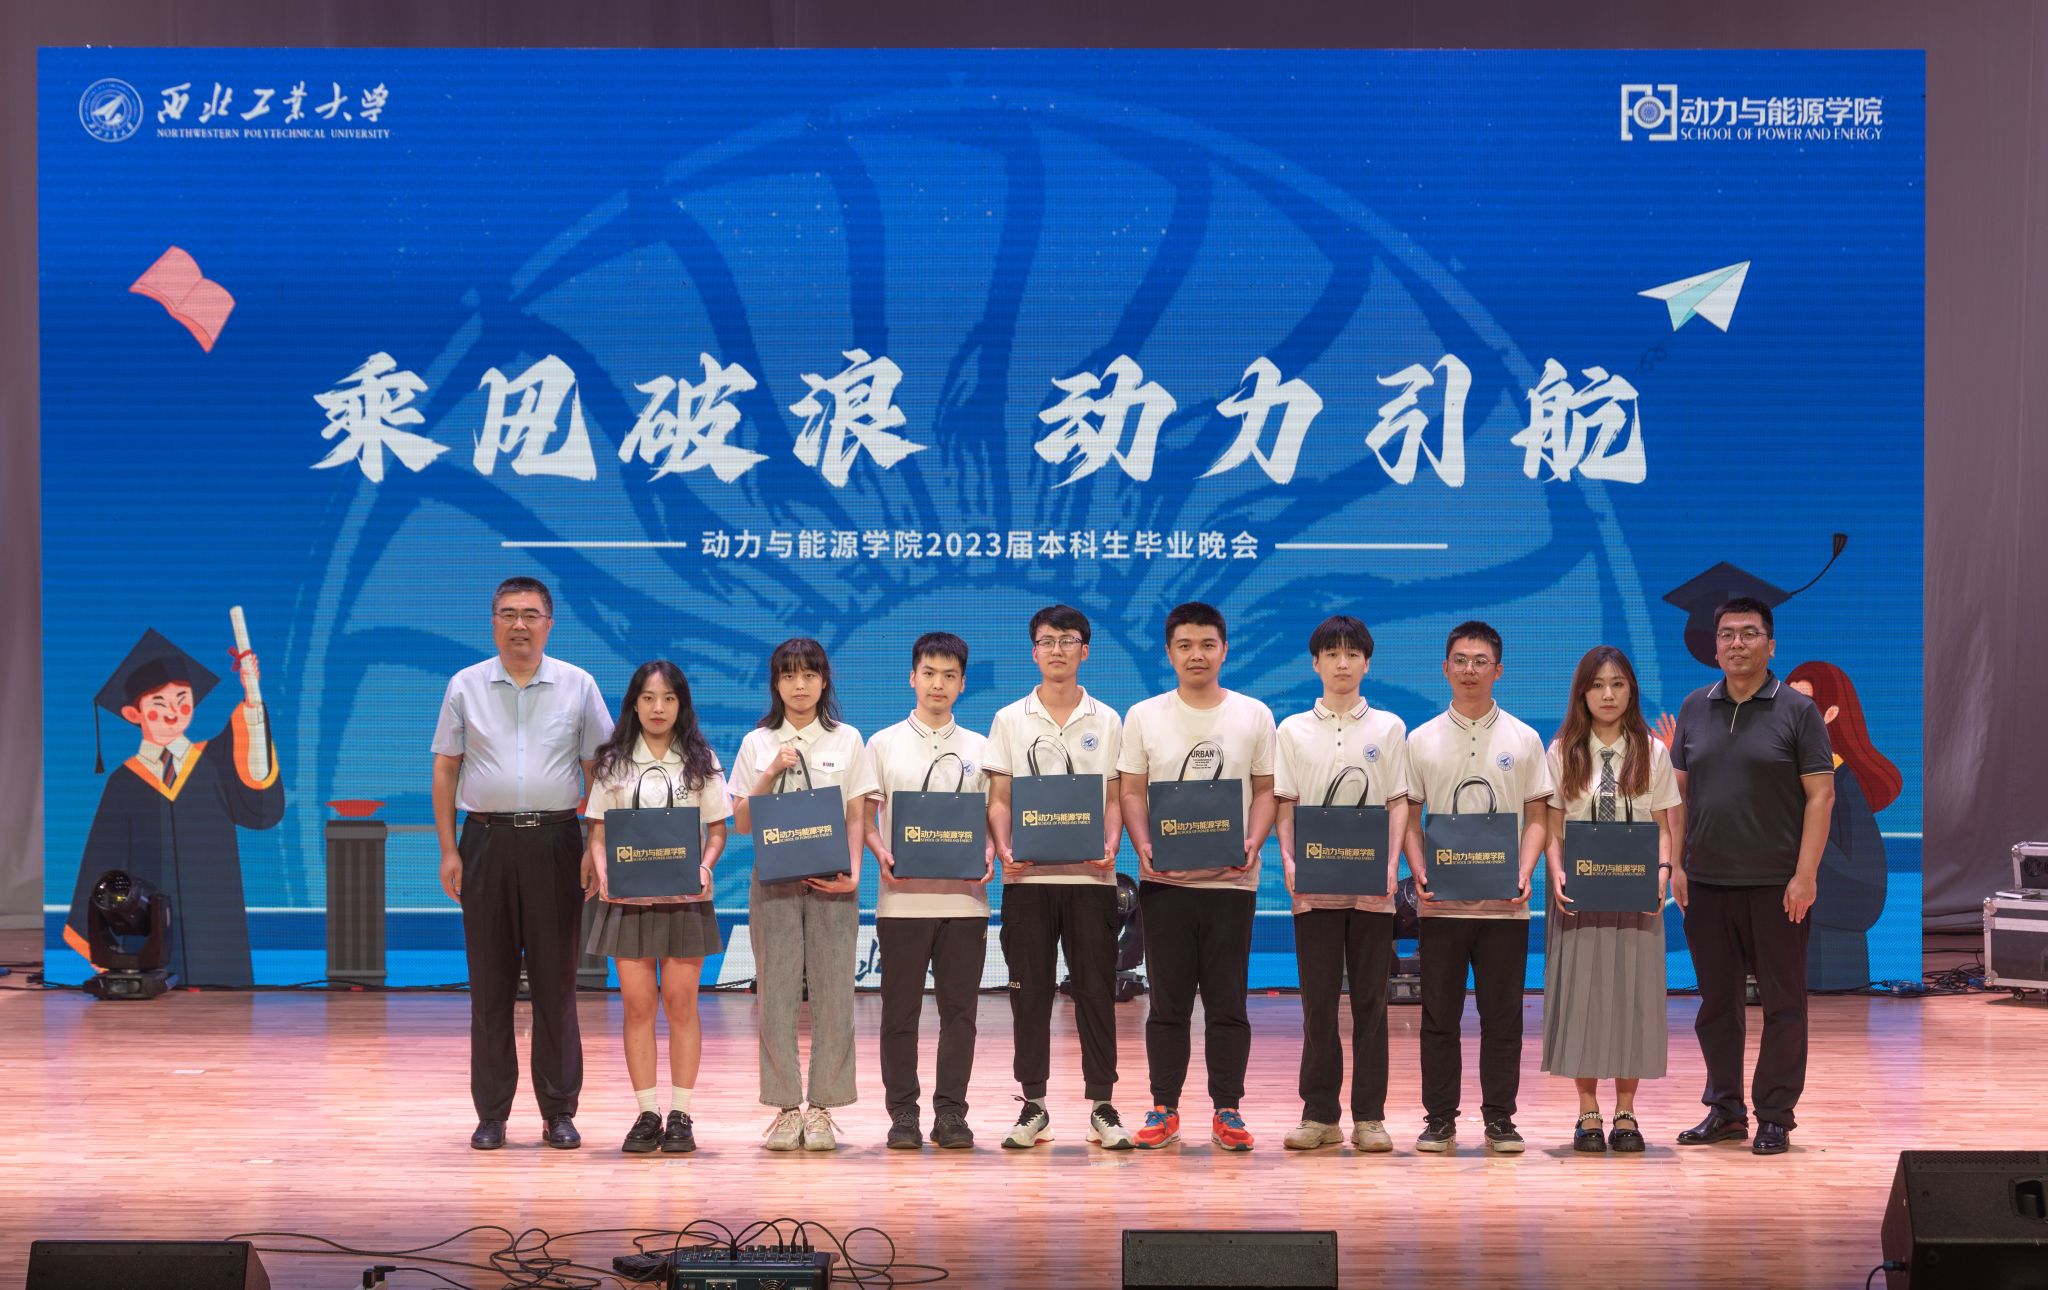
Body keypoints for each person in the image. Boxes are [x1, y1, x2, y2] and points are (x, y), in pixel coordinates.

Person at [432, 576, 614, 1151]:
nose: (519, 624)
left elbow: (599, 772)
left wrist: (594, 845)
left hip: (557, 841)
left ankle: (558, 1111)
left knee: (557, 986)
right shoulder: (465, 685)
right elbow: (446, 768)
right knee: (489, 986)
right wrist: (449, 849)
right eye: (508, 613)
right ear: (493, 622)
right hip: (484, 841)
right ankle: (491, 1114)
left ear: (549, 624)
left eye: (531, 614)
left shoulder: (578, 685)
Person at [1670, 597, 1834, 1156]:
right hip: (1707, 885)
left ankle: (1775, 1116)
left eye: (1748, 633)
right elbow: (1678, 796)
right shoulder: (1695, 706)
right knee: (1716, 1006)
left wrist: (1805, 875)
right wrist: (1677, 864)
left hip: (1777, 887)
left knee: (1784, 1005)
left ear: (1771, 644)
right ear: (1714, 647)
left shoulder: (1798, 711)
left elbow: (1821, 796)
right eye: (1726, 634)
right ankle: (1725, 1111)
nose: (1736, 643)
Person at [1117, 602, 1277, 1152]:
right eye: (1185, 645)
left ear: (1224, 650)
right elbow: (1131, 791)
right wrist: (1143, 844)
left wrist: (1253, 841)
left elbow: (1265, 790)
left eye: (1207, 644)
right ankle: (1164, 1107)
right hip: (1166, 885)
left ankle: (1227, 1109)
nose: (1196, 655)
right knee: (1168, 1004)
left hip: (1231, 885)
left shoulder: (1253, 714)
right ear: (1169, 653)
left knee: (1228, 1002)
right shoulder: (1144, 715)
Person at [984, 605, 1134, 1151]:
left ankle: (1102, 1105)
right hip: (1028, 882)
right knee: (1029, 996)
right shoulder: (1010, 719)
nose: (1057, 650)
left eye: (1068, 640)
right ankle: (1034, 1105)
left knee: (1095, 992)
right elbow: (1000, 798)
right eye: (1046, 641)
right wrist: (1005, 849)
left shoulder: (1108, 719)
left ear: (1084, 651)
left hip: (1091, 881)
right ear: (1034, 652)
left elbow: (1114, 797)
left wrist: (1112, 844)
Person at [1401, 621, 1552, 1155]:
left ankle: (1500, 1120)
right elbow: (1410, 821)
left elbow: (1538, 818)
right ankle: (1440, 1119)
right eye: (1461, 660)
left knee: (1503, 1019)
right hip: (1442, 907)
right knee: (1438, 1017)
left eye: (1480, 661)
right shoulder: (1420, 739)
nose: (1470, 670)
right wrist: (1419, 872)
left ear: (1498, 670)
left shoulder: (1524, 738)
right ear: (1445, 668)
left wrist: (1524, 872)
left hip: (1504, 908)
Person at [64, 628, 283, 988]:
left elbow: (256, 784)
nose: (171, 715)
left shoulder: (212, 761)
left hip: (216, 922)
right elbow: (102, 860)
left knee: (224, 995)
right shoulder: (124, 781)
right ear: (133, 713)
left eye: (181, 701)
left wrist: (252, 693)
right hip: (146, 924)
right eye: (158, 705)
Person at [728, 637, 876, 1152]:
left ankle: (824, 1110)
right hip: (774, 883)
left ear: (824, 681)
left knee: (835, 993)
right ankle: (787, 1108)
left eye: (809, 675)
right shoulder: (756, 743)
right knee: (776, 993)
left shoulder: (847, 739)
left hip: (833, 881)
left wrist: (855, 874)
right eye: (789, 675)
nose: (799, 685)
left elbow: (857, 814)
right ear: (776, 683)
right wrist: (771, 769)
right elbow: (741, 823)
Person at [1275, 615, 1410, 1154]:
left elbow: (1398, 801)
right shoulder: (1291, 730)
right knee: (1318, 1005)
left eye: (1352, 654)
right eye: (1331, 654)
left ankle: (1370, 1117)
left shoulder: (1390, 728)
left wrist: (1391, 866)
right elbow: (1286, 803)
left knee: (1372, 1006)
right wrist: (1289, 862)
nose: (1342, 663)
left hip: (1372, 891)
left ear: (1367, 663)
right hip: (1314, 889)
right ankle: (1319, 1116)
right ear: (1316, 663)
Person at [1540, 646, 1682, 1153]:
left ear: (1631, 692)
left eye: (1617, 684)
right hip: (1578, 895)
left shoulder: (1653, 751)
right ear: (1582, 693)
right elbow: (1552, 827)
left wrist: (1662, 873)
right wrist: (1556, 871)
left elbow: (1664, 826)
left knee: (1632, 998)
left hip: (1636, 894)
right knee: (1582, 999)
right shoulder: (1562, 752)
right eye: (1597, 685)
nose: (1607, 694)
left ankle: (1626, 1111)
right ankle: (1587, 1112)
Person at [584, 661, 729, 1155]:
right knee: (638, 1006)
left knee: (682, 1005)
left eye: (668, 698)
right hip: (629, 902)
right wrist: (603, 871)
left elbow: (717, 830)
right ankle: (647, 1113)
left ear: (681, 704)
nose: (658, 707)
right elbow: (598, 831)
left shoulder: (701, 761)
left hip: (685, 901)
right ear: (634, 704)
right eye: (648, 698)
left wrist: (705, 867)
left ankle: (681, 1114)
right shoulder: (613, 762)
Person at [864, 632, 993, 1151]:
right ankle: (903, 1113)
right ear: (912, 678)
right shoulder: (882, 743)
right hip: (901, 902)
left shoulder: (981, 748)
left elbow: (992, 818)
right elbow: (866, 817)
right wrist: (881, 853)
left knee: (960, 1014)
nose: (938, 684)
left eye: (949, 676)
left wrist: (990, 852)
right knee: (900, 1013)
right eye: (929, 673)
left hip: (965, 903)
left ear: (962, 684)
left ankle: (951, 1113)